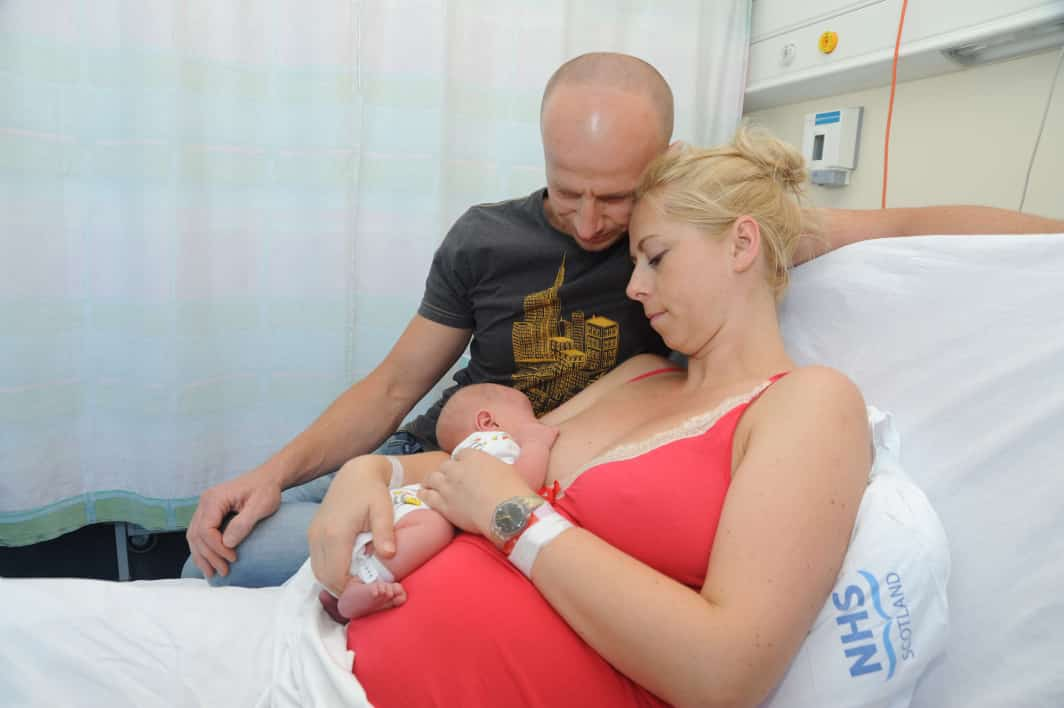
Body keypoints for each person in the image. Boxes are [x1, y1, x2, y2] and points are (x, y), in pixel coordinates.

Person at [184, 51, 1064, 589]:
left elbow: (903, 225)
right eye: (570, 192)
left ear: (666, 167)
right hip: (430, 456)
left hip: (517, 485)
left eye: (621, 197)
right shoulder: (484, 238)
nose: (599, 224)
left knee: (241, 568)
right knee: (223, 541)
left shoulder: (698, 239)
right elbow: (393, 384)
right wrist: (276, 470)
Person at [305, 127, 872, 706]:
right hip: (331, 661)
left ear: (741, 244)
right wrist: (375, 474)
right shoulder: (637, 376)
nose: (634, 286)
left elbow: (727, 672)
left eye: (656, 257)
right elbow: (484, 463)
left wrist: (512, 516)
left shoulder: (809, 405)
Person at [319, 383, 557, 622]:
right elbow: (519, 489)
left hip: (402, 500)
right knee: (435, 527)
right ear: (487, 422)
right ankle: (363, 582)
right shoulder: (495, 442)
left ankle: (338, 589)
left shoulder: (462, 454)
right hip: (417, 509)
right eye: (530, 416)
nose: (536, 422)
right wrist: (536, 445)